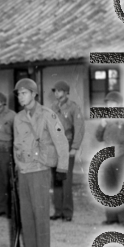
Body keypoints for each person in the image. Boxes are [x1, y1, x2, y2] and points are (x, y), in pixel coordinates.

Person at [13, 78, 68, 247]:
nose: (21, 97)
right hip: (24, 170)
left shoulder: (47, 115)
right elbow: (16, 145)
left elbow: (61, 141)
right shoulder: (18, 118)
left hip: (40, 168)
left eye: (24, 93)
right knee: (26, 211)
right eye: (19, 94)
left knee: (41, 211)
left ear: (34, 94)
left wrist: (62, 167)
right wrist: (17, 166)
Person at [94, 90, 124, 227]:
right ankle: (111, 217)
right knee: (108, 187)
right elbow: (98, 137)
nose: (109, 105)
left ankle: (122, 219)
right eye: (108, 103)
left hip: (121, 155)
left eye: (112, 103)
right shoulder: (106, 119)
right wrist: (101, 125)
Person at [50, 80, 85, 222]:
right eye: (55, 91)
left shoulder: (73, 108)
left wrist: (75, 147)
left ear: (65, 92)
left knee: (66, 180)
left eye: (59, 91)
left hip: (66, 144)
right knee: (57, 180)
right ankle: (58, 211)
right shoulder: (52, 107)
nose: (56, 93)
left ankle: (67, 213)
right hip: (54, 146)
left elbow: (79, 128)